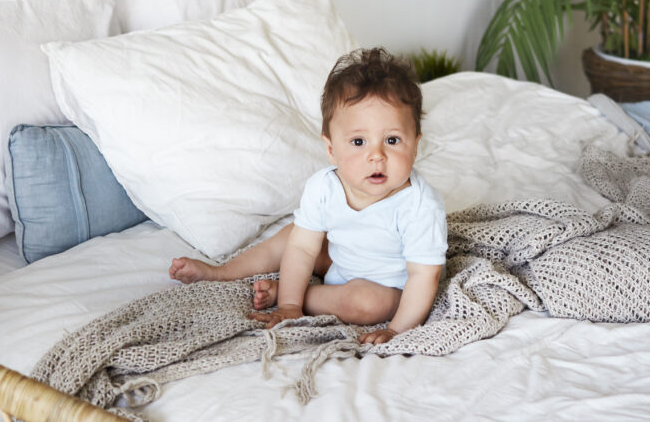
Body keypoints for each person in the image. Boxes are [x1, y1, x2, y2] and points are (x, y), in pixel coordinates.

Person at [169, 47, 447, 345]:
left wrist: (396, 329)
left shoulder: (420, 206)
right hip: (341, 260)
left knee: (366, 302)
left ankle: (306, 295)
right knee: (295, 238)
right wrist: (289, 306)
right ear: (331, 150)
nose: (376, 156)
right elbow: (302, 250)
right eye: (358, 141)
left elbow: (423, 277)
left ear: (415, 145)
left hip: (390, 288)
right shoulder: (324, 187)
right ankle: (223, 272)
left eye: (392, 140)